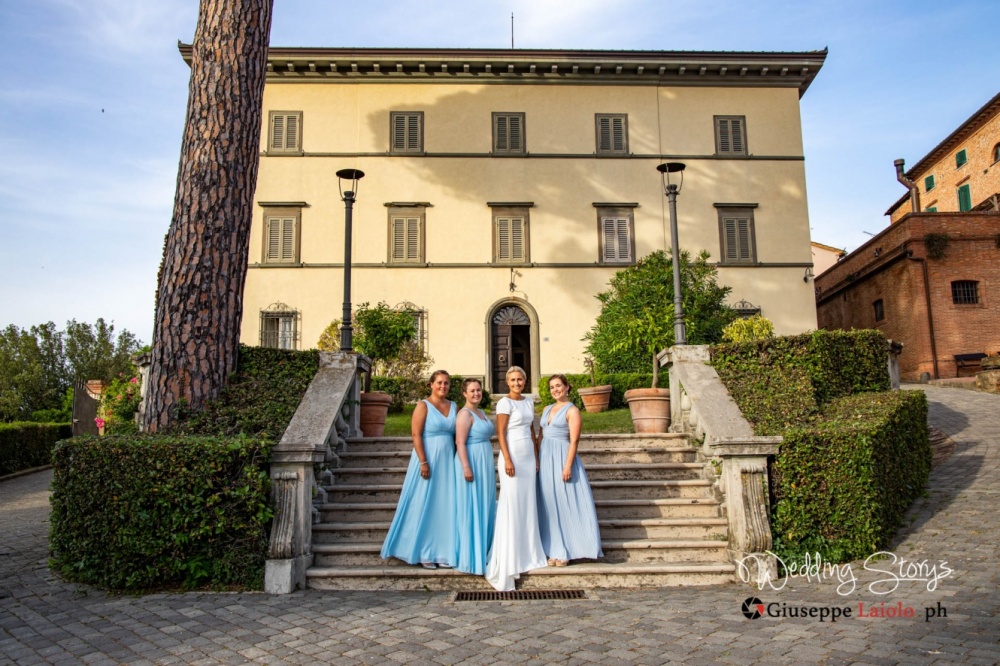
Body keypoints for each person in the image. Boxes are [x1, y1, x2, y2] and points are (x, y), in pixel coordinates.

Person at [380, 370, 457, 569]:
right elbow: (415, 434)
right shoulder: (423, 406)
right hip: (428, 459)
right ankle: (423, 550)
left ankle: (441, 551)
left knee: (443, 506)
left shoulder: (454, 406)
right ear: (431, 384)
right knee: (424, 503)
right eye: (439, 382)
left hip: (448, 462)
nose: (443, 386)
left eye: (446, 383)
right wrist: (423, 462)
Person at [485, 366, 548, 591]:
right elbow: (501, 433)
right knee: (511, 504)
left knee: (527, 504)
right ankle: (510, 556)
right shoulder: (504, 403)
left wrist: (536, 455)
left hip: (528, 459)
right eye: (512, 379)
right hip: (511, 457)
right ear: (507, 382)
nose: (517, 382)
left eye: (520, 379)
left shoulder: (529, 401)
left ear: (525, 380)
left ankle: (529, 553)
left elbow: (532, 429)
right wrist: (508, 459)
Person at [535, 374, 603, 566]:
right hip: (545, 459)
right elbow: (540, 436)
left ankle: (567, 550)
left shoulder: (572, 411)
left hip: (562, 457)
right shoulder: (547, 409)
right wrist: (537, 458)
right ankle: (552, 548)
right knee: (549, 504)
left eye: (558, 386)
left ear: (566, 387)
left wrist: (567, 465)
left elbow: (574, 441)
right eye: (552, 387)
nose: (555, 389)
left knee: (563, 503)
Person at [452, 377, 497, 575]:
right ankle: (471, 557)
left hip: (484, 461)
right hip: (471, 461)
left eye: (478, 390)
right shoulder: (464, 414)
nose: (476, 393)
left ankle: (485, 551)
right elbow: (460, 442)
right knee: (472, 506)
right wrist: (466, 467)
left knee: (485, 505)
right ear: (464, 393)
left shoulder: (481, 413)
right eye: (472, 391)